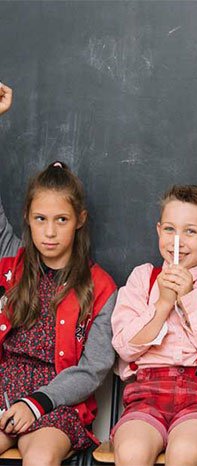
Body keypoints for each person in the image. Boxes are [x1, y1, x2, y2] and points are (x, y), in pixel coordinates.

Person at [0, 79, 118, 466]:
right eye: (40, 219)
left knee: (39, 458)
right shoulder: (12, 259)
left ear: (79, 220)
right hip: (4, 392)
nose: (50, 232)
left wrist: (36, 403)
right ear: (28, 219)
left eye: (61, 219)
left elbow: (92, 369)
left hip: (55, 401)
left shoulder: (101, 287)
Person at [110, 185, 197, 466]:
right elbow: (124, 348)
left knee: (185, 452)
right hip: (145, 396)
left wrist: (190, 298)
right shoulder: (142, 278)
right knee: (131, 451)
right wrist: (162, 304)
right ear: (159, 231)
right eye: (170, 229)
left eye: (190, 231)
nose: (177, 241)